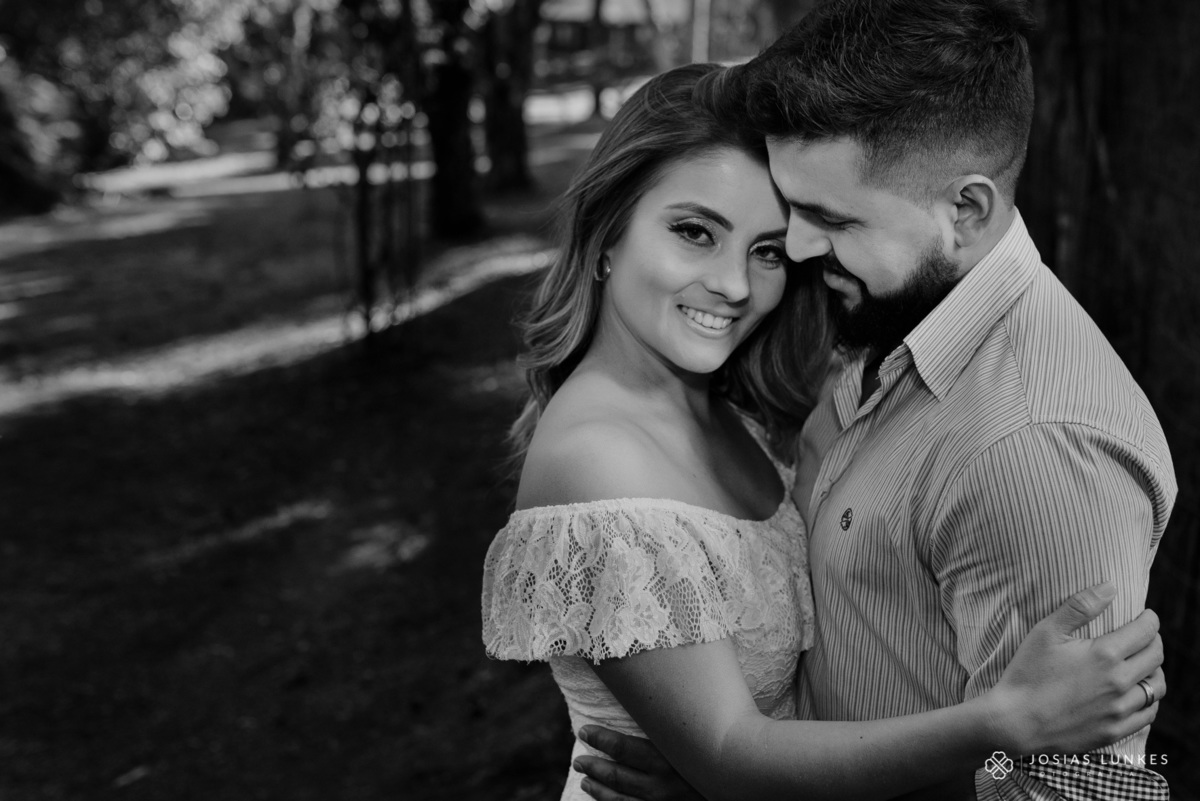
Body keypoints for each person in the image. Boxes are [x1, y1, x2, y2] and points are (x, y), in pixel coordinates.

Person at [481, 62, 1166, 801]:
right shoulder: (597, 459)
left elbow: (1077, 786)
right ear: (607, 234)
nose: (737, 285)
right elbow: (730, 749)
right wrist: (1000, 723)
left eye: (767, 249)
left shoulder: (732, 405)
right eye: (693, 231)